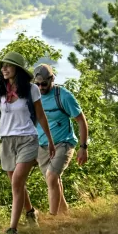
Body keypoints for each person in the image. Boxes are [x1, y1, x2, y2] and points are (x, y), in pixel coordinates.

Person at [0, 51, 55, 234]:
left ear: (17, 69)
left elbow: (41, 116)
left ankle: (12, 230)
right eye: (3, 66)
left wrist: (50, 141)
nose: (4, 69)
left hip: (28, 140)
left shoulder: (32, 90)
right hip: (6, 141)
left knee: (16, 182)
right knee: (17, 185)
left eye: (8, 65)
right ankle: (31, 212)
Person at [32, 64, 88, 216]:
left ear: (52, 79)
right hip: (42, 146)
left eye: (44, 84)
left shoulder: (63, 95)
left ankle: (52, 220)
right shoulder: (33, 96)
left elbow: (81, 121)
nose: (41, 87)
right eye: (37, 84)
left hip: (64, 143)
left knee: (51, 178)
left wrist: (83, 147)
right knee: (53, 182)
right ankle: (64, 217)